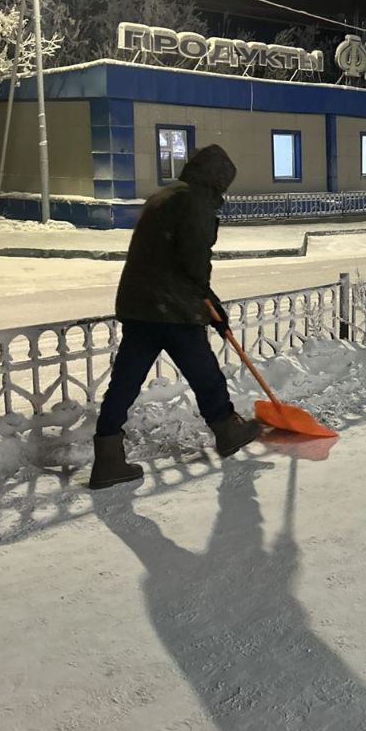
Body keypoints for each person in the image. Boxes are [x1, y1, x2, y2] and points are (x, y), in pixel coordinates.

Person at [89, 143, 262, 489]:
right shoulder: (194, 202)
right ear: (216, 180)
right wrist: (210, 303)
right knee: (205, 373)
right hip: (172, 308)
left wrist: (209, 303)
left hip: (139, 305)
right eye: (223, 185)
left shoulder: (165, 196)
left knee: (124, 382)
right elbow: (194, 260)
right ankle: (227, 430)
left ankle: (107, 457)